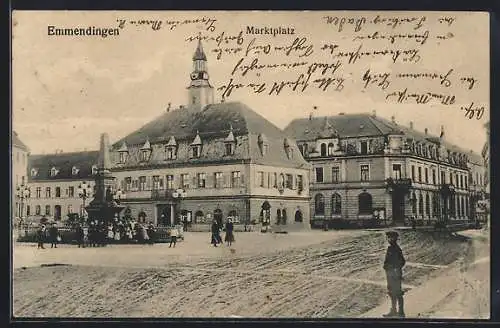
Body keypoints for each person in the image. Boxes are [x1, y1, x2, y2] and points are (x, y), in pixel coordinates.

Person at [383, 230, 406, 318]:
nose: (389, 239)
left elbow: (402, 261)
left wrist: (396, 269)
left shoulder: (397, 249)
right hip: (389, 274)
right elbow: (387, 261)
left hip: (395, 274)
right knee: (392, 293)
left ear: (395, 239)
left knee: (398, 293)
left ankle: (401, 312)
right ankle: (393, 311)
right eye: (388, 238)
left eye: (390, 238)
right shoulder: (390, 248)